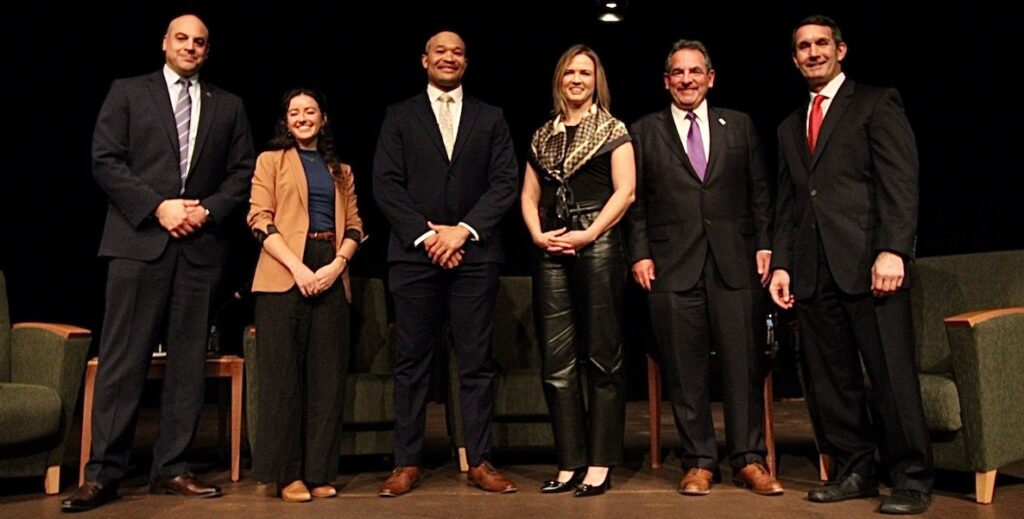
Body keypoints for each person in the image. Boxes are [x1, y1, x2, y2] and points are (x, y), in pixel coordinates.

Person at [63, 14, 255, 513]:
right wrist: (158, 207)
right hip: (138, 242)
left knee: (189, 363)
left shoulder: (228, 106)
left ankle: (171, 468)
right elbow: (106, 160)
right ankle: (103, 474)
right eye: (182, 39)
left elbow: (242, 172)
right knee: (123, 362)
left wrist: (207, 209)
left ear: (207, 52)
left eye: (200, 42)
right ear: (165, 43)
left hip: (199, 251)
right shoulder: (128, 92)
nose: (191, 47)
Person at [768, 15, 933, 515]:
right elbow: (789, 203)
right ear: (794, 58)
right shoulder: (788, 126)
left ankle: (910, 478)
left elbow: (900, 181)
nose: (813, 52)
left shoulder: (876, 102)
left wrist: (894, 249)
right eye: (803, 46)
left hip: (870, 265)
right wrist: (782, 265)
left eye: (821, 43)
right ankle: (854, 470)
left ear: (841, 50)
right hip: (814, 272)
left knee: (890, 377)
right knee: (830, 381)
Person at [626, 39, 782, 497]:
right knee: (684, 370)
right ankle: (698, 460)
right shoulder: (644, 130)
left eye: (696, 71)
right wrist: (638, 253)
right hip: (672, 266)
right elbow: (635, 205)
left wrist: (767, 245)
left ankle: (749, 459)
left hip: (736, 262)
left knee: (743, 366)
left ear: (710, 78)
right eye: (678, 72)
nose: (687, 79)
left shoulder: (739, 125)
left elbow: (760, 191)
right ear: (667, 81)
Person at [372, 30, 519, 496]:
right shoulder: (399, 116)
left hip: (474, 254)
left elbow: (504, 183)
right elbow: (386, 185)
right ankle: (406, 462)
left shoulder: (490, 117)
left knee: (476, 363)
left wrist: (462, 231)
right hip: (414, 257)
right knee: (412, 362)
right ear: (424, 60)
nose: (449, 58)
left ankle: (478, 460)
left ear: (466, 62)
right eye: (440, 51)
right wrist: (428, 234)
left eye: (457, 52)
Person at [520, 44, 634, 498]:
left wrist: (589, 235)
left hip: (597, 238)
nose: (577, 79)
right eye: (569, 72)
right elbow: (528, 196)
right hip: (551, 242)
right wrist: (536, 234)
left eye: (585, 72)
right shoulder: (543, 136)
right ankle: (569, 461)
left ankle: (600, 463)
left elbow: (625, 192)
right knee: (556, 361)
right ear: (559, 79)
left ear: (596, 80)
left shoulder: (613, 130)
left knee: (603, 356)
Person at [247, 88, 363, 502]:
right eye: (294, 112)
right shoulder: (270, 161)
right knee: (282, 379)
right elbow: (258, 218)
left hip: (330, 264)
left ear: (323, 119)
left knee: (326, 379)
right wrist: (298, 268)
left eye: (309, 110)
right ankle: (287, 475)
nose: (302, 117)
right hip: (283, 269)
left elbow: (354, 225)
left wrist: (335, 265)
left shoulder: (340, 170)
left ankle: (318, 471)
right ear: (286, 120)